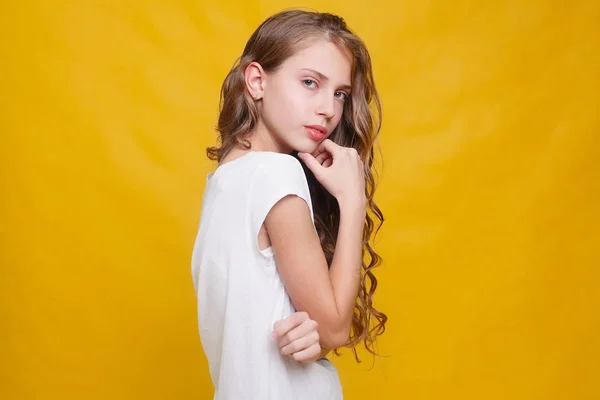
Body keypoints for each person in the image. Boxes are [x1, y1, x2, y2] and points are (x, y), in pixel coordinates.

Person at [191, 8, 387, 399]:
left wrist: (310, 333)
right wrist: (352, 202)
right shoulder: (276, 174)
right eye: (310, 82)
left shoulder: (222, 184)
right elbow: (332, 328)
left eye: (340, 94)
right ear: (257, 81)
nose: (329, 109)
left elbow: (291, 326)